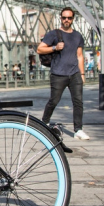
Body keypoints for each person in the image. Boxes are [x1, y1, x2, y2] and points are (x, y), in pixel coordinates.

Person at [36, 7, 89, 140]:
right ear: (60, 18)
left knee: (78, 102)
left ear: (72, 19)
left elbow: (80, 56)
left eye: (69, 18)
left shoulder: (77, 36)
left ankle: (78, 130)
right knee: (54, 100)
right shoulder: (53, 34)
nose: (66, 20)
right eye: (64, 17)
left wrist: (82, 74)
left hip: (75, 74)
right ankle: (44, 122)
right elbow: (39, 49)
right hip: (58, 74)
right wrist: (54, 47)